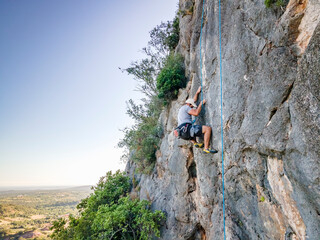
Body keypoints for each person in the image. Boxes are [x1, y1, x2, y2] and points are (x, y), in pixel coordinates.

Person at [175, 87, 218, 154]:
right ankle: (206, 148)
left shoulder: (183, 108)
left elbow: (193, 100)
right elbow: (196, 113)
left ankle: (195, 143)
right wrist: (201, 104)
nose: (192, 108)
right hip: (187, 130)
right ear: (189, 104)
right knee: (207, 129)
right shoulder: (187, 107)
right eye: (192, 106)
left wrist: (197, 92)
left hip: (182, 133)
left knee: (191, 129)